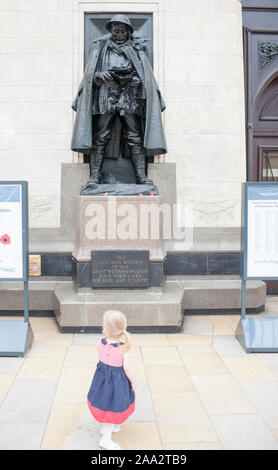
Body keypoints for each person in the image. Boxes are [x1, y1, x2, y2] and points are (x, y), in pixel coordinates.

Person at [71, 14, 167, 185]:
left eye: (123, 31)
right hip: (106, 96)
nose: (120, 34)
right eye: (116, 30)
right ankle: (95, 176)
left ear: (128, 32)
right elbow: (90, 75)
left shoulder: (137, 51)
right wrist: (100, 75)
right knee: (101, 136)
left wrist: (137, 81)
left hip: (130, 97)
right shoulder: (100, 50)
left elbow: (146, 77)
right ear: (111, 31)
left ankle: (140, 176)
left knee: (134, 136)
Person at [87, 310, 136, 450]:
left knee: (105, 404)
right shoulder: (123, 349)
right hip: (116, 385)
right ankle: (105, 439)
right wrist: (132, 381)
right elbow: (127, 369)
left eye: (104, 326)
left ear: (107, 330)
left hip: (102, 382)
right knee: (112, 408)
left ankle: (107, 427)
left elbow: (103, 360)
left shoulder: (100, 344)